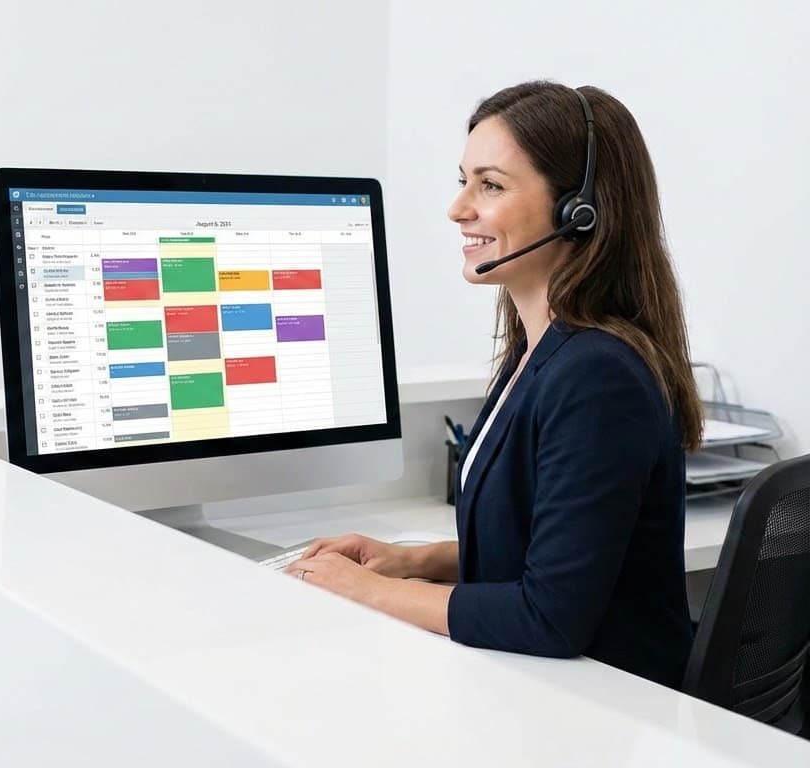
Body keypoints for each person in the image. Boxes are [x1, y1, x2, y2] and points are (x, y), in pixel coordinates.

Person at [284, 81, 702, 688]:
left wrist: (367, 592)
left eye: (491, 185)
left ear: (576, 211)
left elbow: (548, 616)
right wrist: (410, 561)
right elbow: (550, 548)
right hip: (553, 689)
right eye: (464, 181)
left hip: (607, 709)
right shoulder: (539, 352)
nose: (459, 210)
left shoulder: (597, 375)